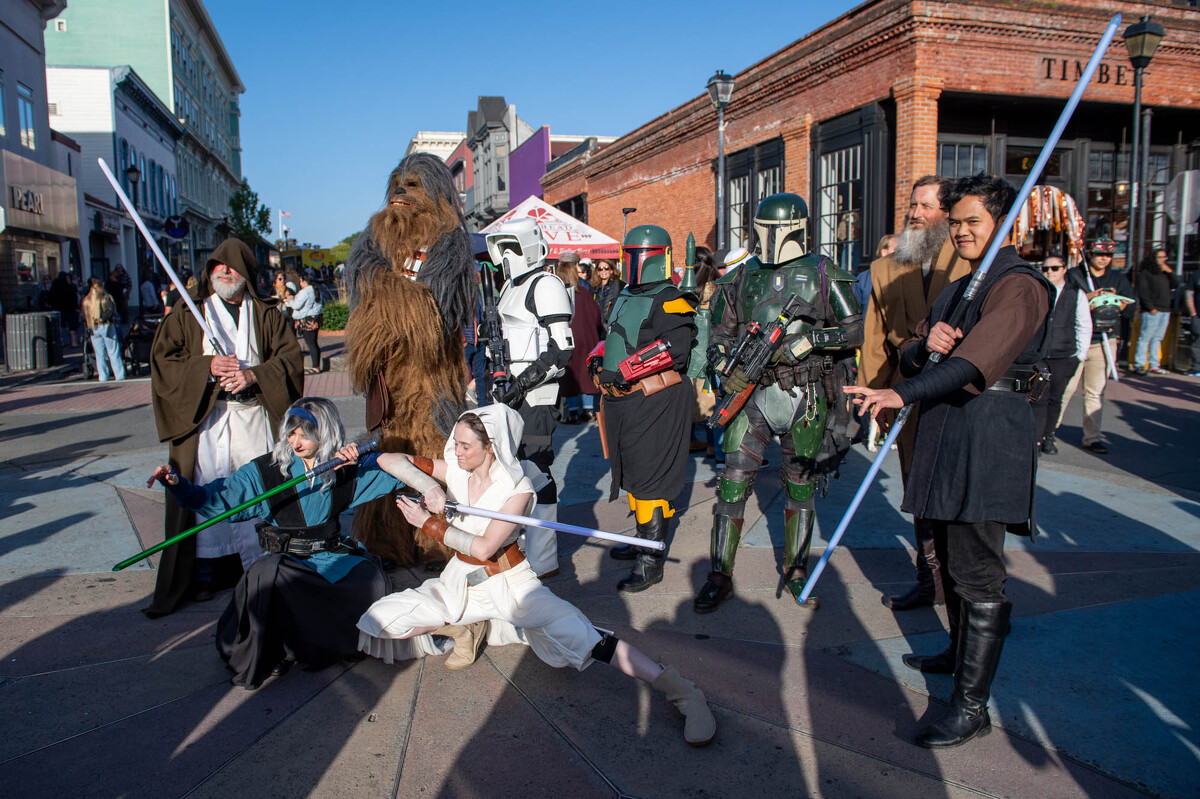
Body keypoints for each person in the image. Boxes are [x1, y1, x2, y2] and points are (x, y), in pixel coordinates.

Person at [356, 404, 717, 746]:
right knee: (383, 618)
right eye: (455, 443)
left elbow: (483, 548)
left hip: (511, 586)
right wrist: (430, 486)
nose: (455, 451)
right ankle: (463, 625)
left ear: (491, 446)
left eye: (465, 445)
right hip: (458, 580)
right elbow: (392, 459)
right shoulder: (456, 471)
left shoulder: (518, 490)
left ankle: (682, 691)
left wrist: (430, 525)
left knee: (585, 637)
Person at [845, 174, 1053, 749]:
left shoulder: (1018, 286)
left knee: (978, 571)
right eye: (955, 221)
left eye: (973, 222)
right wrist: (920, 348)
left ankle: (971, 704)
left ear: (1004, 224)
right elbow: (913, 349)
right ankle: (958, 655)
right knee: (952, 560)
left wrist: (898, 394)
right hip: (946, 430)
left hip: (989, 436)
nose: (960, 231)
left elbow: (973, 364)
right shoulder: (961, 286)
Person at [147, 398, 396, 690]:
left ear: (326, 434)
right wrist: (178, 484)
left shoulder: (343, 469)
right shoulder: (265, 472)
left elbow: (393, 475)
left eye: (306, 434)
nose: (296, 441)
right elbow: (213, 499)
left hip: (330, 558)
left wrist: (366, 456)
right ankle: (277, 649)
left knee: (372, 579)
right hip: (287, 562)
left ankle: (335, 644)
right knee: (270, 574)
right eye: (291, 433)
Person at [694, 194, 862, 613]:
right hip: (751, 391)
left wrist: (808, 342)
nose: (762, 238)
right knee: (732, 483)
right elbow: (720, 332)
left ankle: (796, 570)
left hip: (805, 392)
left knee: (800, 484)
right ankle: (720, 574)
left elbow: (853, 330)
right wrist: (720, 359)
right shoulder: (743, 275)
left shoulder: (822, 272)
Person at [146, 238, 304, 618]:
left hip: (252, 417)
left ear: (245, 273)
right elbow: (164, 361)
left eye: (231, 266)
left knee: (254, 490)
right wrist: (207, 367)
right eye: (217, 265)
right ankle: (205, 573)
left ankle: (254, 567)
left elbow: (290, 359)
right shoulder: (189, 314)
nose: (223, 271)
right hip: (208, 420)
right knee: (206, 491)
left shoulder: (267, 315)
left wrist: (254, 375)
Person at [860, 176, 972, 611]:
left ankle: (969, 593)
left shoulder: (971, 263)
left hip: (959, 392)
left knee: (960, 494)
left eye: (925, 206)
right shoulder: (886, 268)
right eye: (912, 205)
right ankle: (930, 582)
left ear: (946, 214)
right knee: (919, 489)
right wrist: (877, 395)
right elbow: (874, 339)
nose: (914, 214)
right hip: (907, 391)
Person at [591, 224, 698, 593]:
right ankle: (641, 539)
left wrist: (625, 370)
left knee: (651, 477)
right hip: (625, 401)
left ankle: (651, 559)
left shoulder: (671, 298)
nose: (632, 262)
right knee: (634, 473)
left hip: (657, 399)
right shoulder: (623, 295)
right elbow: (613, 337)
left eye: (639, 255)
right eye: (629, 254)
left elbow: (675, 349)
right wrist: (598, 360)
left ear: (657, 257)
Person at [485, 219, 575, 577]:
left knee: (536, 469)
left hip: (537, 395)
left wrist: (521, 384)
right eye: (502, 248)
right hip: (508, 390)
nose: (507, 256)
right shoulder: (509, 286)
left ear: (529, 246)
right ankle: (524, 545)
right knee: (513, 469)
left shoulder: (546, 284)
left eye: (513, 247)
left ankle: (544, 557)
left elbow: (562, 348)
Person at [1062, 238, 1133, 454]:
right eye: (1099, 254)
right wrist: (1091, 298)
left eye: (1108, 255)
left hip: (1104, 340)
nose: (1104, 258)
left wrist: (1114, 303)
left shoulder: (1117, 278)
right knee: (1066, 388)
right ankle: (1048, 432)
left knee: (1095, 392)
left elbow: (1129, 303)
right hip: (1077, 339)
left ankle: (1092, 437)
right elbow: (1066, 299)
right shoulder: (1076, 275)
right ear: (1090, 254)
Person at [1031, 253, 1091, 454]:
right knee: (1038, 397)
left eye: (1054, 268)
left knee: (1056, 398)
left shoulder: (1076, 294)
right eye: (1046, 268)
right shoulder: (1038, 291)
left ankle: (1049, 437)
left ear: (1064, 269)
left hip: (1063, 354)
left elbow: (1084, 325)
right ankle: (1036, 439)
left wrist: (1079, 355)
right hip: (1040, 354)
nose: (1049, 272)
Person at [556, 259, 604, 425]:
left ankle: (573, 412)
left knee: (569, 375)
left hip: (567, 338)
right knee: (585, 373)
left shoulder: (559, 294)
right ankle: (589, 410)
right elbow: (597, 316)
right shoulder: (584, 293)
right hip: (588, 338)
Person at [1133, 248, 1176, 376]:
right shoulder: (1146, 273)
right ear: (1153, 258)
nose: (1163, 260)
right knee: (1145, 337)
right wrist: (1150, 307)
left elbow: (1176, 284)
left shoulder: (1164, 273)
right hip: (1152, 310)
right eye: (1160, 257)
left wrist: (1170, 272)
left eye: (1164, 257)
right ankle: (1140, 364)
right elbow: (1143, 291)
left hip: (1165, 309)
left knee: (1158, 338)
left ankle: (1154, 364)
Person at [81, 278, 125, 382]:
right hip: (106, 326)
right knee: (113, 351)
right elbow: (110, 311)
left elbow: (84, 316)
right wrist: (104, 318)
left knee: (99, 354)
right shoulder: (105, 298)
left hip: (93, 327)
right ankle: (119, 375)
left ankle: (103, 376)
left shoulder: (86, 301)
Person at [290, 272, 324, 374]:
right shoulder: (316, 290)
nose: (300, 283)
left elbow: (296, 306)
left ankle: (315, 367)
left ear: (304, 281)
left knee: (311, 343)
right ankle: (316, 365)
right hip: (316, 319)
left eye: (300, 281)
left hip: (308, 320)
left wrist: (291, 300)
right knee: (314, 343)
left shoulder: (305, 292)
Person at [48, 272, 80, 347]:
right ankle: (73, 342)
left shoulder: (54, 288)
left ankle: (62, 341)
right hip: (70, 309)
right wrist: (76, 307)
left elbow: (50, 299)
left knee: (60, 326)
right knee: (72, 327)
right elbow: (74, 299)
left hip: (58, 310)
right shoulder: (70, 287)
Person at [590, 259, 625, 327]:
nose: (603, 271)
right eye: (600, 269)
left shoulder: (616, 284)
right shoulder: (595, 287)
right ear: (597, 272)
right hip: (598, 324)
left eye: (606, 268)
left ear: (611, 271)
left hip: (611, 323)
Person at [106, 264, 132, 330]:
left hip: (118, 301)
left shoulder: (117, 283)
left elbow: (127, 286)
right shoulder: (117, 284)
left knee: (118, 315)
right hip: (117, 301)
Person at [1186, 266, 1200, 377]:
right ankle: (1196, 367)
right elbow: (1189, 293)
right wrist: (1192, 312)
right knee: (1196, 342)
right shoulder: (1196, 275)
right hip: (1197, 314)